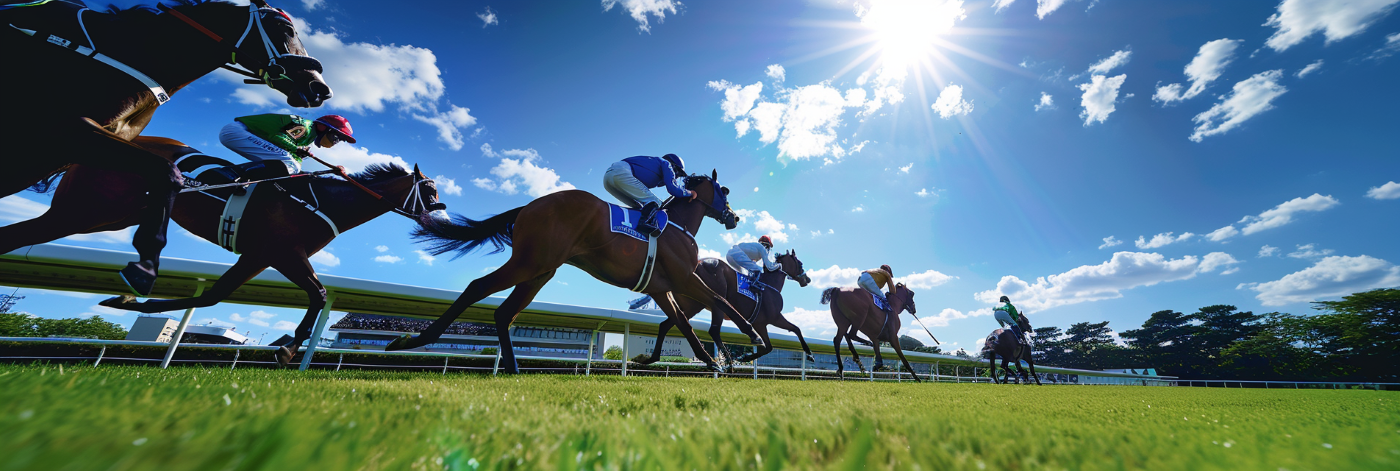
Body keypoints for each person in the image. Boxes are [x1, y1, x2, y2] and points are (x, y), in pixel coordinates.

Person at [215, 113, 355, 186]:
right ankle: (231, 174)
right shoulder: (305, 128)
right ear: (324, 127)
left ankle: (243, 179)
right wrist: (297, 148)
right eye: (337, 137)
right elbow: (277, 137)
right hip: (236, 131)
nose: (336, 142)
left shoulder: (309, 137)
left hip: (241, 133)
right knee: (287, 160)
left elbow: (295, 167)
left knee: (293, 164)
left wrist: (327, 172)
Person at [602, 154, 695, 237]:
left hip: (608, 179)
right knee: (655, 202)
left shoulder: (654, 166)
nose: (676, 177)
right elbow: (673, 189)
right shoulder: (666, 163)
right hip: (621, 172)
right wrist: (690, 192)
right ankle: (643, 226)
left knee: (639, 207)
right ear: (674, 166)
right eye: (678, 173)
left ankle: (627, 230)